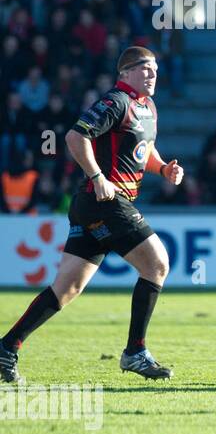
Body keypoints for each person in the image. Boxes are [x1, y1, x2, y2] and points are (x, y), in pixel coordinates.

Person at [0, 47, 183, 383]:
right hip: (105, 201)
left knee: (66, 288)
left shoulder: (147, 107)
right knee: (157, 264)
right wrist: (98, 177)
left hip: (93, 206)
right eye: (145, 69)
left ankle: (6, 348)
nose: (153, 75)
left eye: (155, 69)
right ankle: (135, 352)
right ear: (125, 73)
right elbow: (75, 136)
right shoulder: (116, 101)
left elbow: (145, 148)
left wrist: (162, 168)